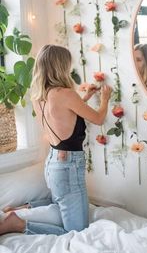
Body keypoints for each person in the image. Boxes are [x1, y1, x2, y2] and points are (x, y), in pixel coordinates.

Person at [0, 44, 112, 236]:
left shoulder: (39, 95)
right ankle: (17, 224)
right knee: (77, 229)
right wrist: (105, 99)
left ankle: (27, 208)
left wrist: (85, 97)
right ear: (60, 66)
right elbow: (98, 118)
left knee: (61, 202)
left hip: (53, 164)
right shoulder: (66, 94)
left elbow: (64, 115)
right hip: (68, 166)